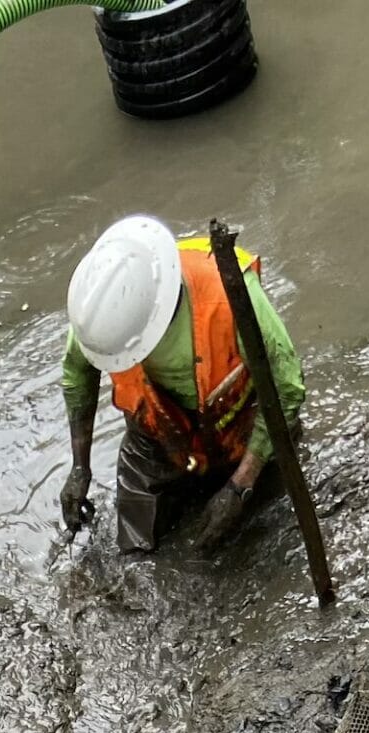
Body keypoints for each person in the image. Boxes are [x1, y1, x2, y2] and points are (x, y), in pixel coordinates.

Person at [59, 215, 305, 556]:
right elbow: (77, 375)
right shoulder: (98, 318)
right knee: (132, 552)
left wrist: (241, 484)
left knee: (258, 535)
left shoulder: (230, 294)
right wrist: (79, 467)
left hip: (242, 426)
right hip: (158, 436)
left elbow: (287, 386)